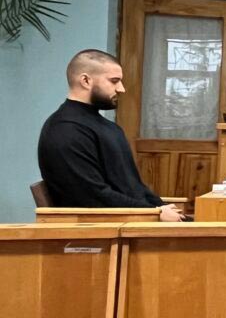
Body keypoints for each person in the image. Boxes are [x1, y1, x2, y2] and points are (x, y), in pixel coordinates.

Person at [37, 49, 185, 222]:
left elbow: (133, 187)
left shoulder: (107, 127)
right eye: (114, 81)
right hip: (101, 232)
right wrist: (154, 212)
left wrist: (160, 207)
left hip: (132, 221)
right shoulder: (65, 130)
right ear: (85, 80)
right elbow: (92, 197)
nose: (121, 89)